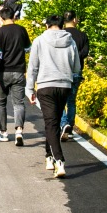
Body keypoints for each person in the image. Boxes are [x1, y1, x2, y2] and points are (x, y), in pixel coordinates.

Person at [26, 12, 82, 178]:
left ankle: (59, 160)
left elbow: (33, 67)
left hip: (46, 86)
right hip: (64, 86)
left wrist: (29, 89)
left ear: (46, 25)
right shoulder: (70, 41)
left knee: (51, 124)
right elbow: (76, 67)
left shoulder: (39, 41)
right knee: (54, 122)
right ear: (62, 25)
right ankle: (48, 157)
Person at [0, 0, 31, 146]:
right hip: (19, 71)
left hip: (3, 73)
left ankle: (3, 132)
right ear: (14, 16)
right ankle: (19, 130)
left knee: (1, 102)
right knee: (19, 103)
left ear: (1, 18)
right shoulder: (21, 30)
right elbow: (27, 48)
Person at [61, 11, 91, 141]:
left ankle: (64, 124)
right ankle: (70, 127)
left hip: (62, 71)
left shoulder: (61, 35)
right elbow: (85, 52)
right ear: (74, 20)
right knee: (71, 101)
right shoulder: (82, 35)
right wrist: (76, 59)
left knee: (60, 101)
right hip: (76, 71)